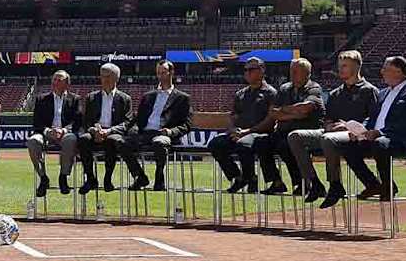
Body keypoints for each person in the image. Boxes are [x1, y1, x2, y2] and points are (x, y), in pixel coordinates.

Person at [330, 56, 406, 206]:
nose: (382, 72)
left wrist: (380, 132)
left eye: (385, 69)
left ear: (398, 71)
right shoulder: (382, 93)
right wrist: (360, 131)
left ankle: (387, 187)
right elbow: (372, 118)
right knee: (347, 147)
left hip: (401, 141)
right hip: (377, 139)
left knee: (380, 143)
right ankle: (373, 185)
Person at [286, 50, 378, 205]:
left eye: (345, 66)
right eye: (339, 66)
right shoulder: (335, 93)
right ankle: (314, 182)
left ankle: (335, 184)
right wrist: (329, 126)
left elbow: (373, 119)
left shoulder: (369, 91)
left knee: (328, 139)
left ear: (356, 67)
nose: (340, 69)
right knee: (295, 136)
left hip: (356, 134)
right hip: (332, 133)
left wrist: (349, 127)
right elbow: (327, 119)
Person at [207, 57, 278, 194]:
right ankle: (238, 177)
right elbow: (233, 115)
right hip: (240, 133)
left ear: (262, 70)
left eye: (251, 70)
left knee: (243, 143)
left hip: (261, 133)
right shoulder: (240, 94)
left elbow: (270, 120)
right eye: (245, 70)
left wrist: (246, 132)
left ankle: (250, 178)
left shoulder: (271, 93)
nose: (247, 73)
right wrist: (233, 129)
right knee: (216, 144)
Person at [121, 60, 191, 191]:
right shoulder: (148, 96)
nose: (160, 76)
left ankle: (159, 177)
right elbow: (137, 118)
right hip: (145, 133)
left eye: (163, 73)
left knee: (159, 143)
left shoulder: (182, 98)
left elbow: (186, 125)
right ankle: (140, 176)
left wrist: (170, 132)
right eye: (158, 73)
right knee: (121, 143)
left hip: (163, 133)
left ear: (171, 73)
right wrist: (130, 130)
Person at [258, 58, 324, 197]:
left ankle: (301, 182)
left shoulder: (314, 88)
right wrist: (293, 113)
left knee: (285, 144)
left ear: (307, 73)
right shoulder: (284, 88)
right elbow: (273, 113)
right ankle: (276, 182)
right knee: (261, 142)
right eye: (291, 71)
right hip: (284, 130)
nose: (292, 74)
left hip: (305, 130)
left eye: (296, 71)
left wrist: (283, 111)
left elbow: (305, 109)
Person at [76, 63, 133, 194]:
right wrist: (93, 129)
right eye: (102, 76)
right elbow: (86, 120)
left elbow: (127, 122)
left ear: (116, 78)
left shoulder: (125, 99)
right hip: (95, 131)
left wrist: (109, 131)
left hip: (113, 133)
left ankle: (108, 178)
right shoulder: (91, 97)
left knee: (111, 141)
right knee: (83, 139)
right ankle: (90, 179)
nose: (104, 79)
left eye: (108, 76)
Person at [26, 70, 81, 196]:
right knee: (33, 141)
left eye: (59, 80)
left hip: (65, 134)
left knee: (70, 139)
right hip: (46, 133)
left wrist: (64, 130)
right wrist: (48, 131)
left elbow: (77, 121)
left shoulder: (75, 99)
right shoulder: (41, 99)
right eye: (54, 79)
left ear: (67, 84)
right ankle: (43, 178)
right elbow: (37, 122)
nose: (55, 82)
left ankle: (63, 176)